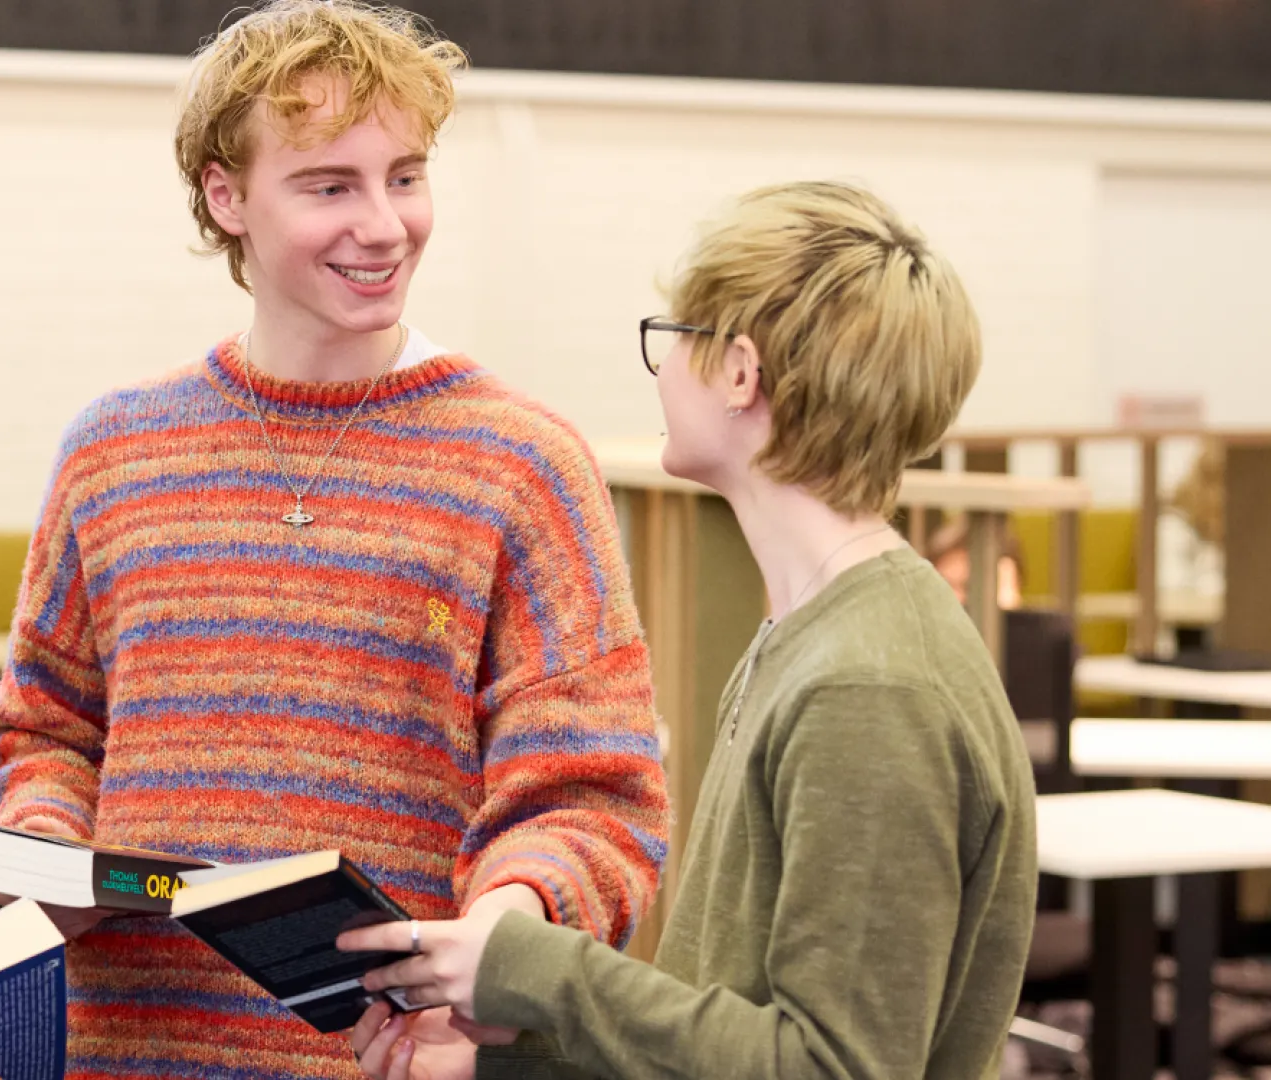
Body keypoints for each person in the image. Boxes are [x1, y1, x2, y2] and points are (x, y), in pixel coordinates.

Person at [0, 3, 670, 1076]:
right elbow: (47, 730)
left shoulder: (522, 464)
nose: (386, 225)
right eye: (330, 185)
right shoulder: (113, 452)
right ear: (225, 194)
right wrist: (43, 841)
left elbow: (594, 796)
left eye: (405, 176)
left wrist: (500, 944)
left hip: (391, 1060)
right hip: (127, 1051)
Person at [338, 181, 1036, 1080]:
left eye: (675, 339)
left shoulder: (868, 689)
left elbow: (832, 1067)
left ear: (741, 372)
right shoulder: (819, 632)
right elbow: (734, 1028)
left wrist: (533, 970)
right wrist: (500, 1067)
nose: (662, 369)